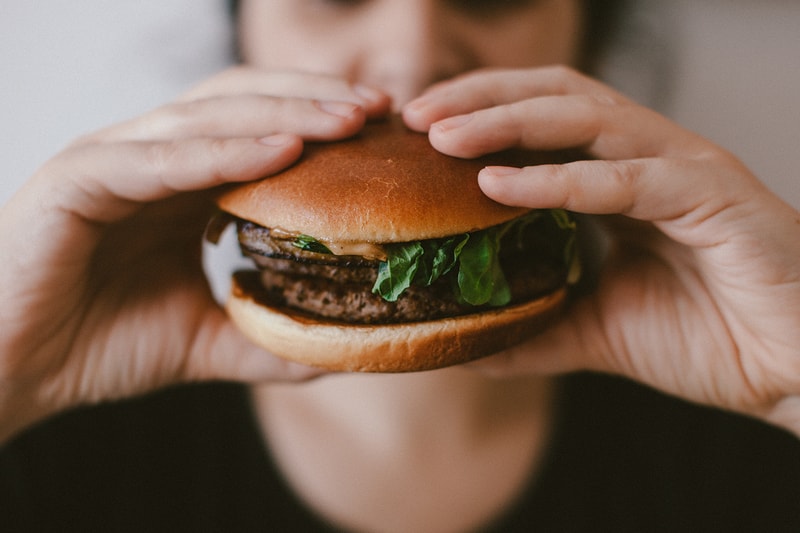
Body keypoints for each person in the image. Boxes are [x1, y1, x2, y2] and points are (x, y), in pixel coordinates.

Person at [1, 1, 799, 531]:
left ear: (585, 35)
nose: (411, 59)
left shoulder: (743, 428)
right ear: (242, 25)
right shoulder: (53, 433)